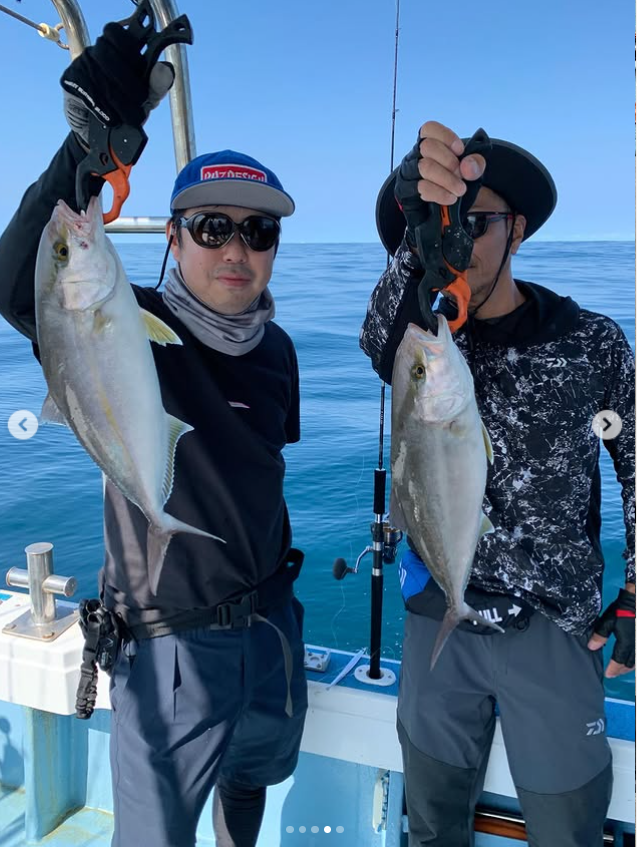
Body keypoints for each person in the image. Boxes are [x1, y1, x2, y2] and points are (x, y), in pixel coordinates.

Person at [0, 21, 307, 847]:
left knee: (253, 777)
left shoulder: (278, 350)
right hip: (169, 647)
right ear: (172, 237)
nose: (236, 248)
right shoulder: (124, 318)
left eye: (258, 231)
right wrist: (85, 152)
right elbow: (18, 283)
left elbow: (264, 471)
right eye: (211, 228)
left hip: (272, 627)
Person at [360, 120, 635, 846]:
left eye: (473, 224)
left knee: (566, 831)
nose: (457, 245)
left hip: (553, 627)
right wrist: (418, 244)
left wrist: (636, 595)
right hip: (437, 615)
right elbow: (376, 332)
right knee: (431, 826)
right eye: (437, 231)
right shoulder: (417, 343)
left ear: (516, 228)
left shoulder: (591, 342)